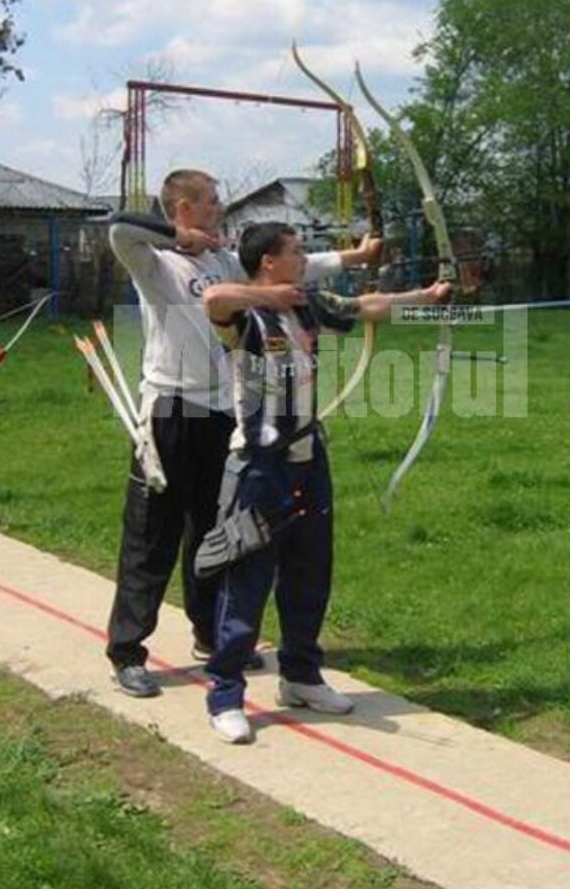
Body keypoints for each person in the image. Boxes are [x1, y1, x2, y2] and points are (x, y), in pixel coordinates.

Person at [105, 170, 382, 698]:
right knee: (152, 532)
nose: (219, 207)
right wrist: (177, 239)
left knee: (216, 530)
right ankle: (127, 652)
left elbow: (283, 273)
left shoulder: (224, 262)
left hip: (225, 413)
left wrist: (355, 258)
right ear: (182, 207)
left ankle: (209, 634)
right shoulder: (155, 260)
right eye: (209, 201)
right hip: (171, 410)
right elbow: (119, 229)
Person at [197, 221, 451, 744]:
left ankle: (301, 676)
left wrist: (427, 296)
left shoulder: (307, 305)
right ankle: (225, 693)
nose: (303, 258)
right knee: (248, 580)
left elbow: (367, 308)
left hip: (309, 459)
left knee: (310, 572)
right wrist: (269, 295)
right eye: (294, 252)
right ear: (269, 261)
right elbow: (216, 298)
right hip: (258, 467)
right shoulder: (245, 317)